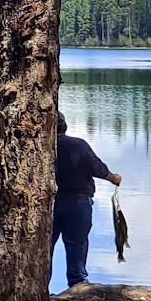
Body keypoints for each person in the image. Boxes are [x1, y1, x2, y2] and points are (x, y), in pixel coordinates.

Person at [52, 113, 121, 289]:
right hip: (78, 202)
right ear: (65, 126)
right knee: (77, 243)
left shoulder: (42, 147)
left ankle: (39, 286)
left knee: (45, 244)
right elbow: (95, 167)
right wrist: (113, 178)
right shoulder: (77, 144)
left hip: (49, 202)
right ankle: (77, 285)